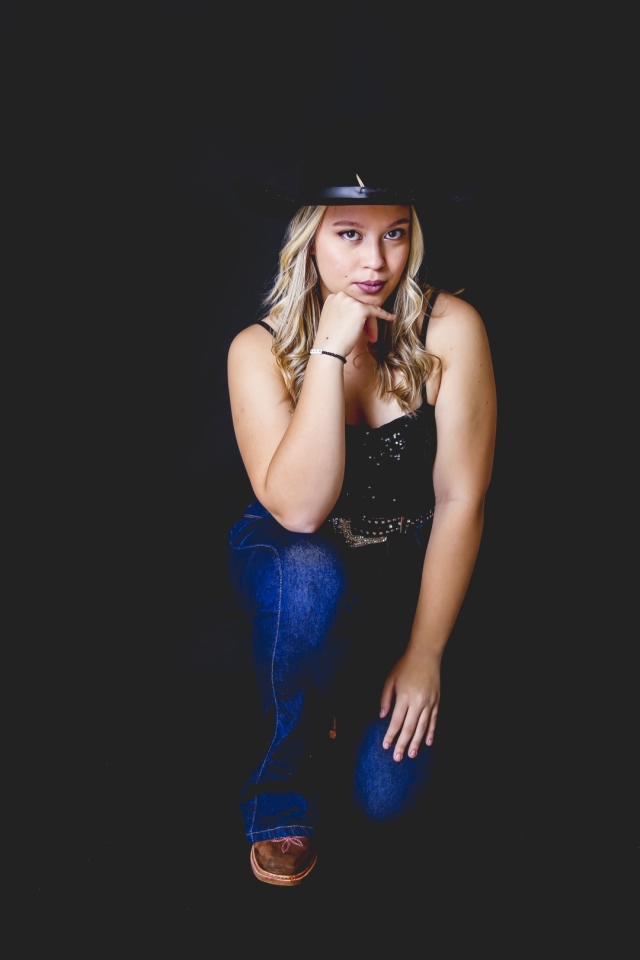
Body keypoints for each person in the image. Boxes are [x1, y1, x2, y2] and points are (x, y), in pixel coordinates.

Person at [226, 141, 497, 887]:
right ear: (309, 237)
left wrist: (426, 653)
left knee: (384, 799)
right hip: (295, 567)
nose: (375, 261)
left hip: (404, 581)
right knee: (310, 573)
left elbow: (461, 499)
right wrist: (328, 355)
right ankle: (279, 799)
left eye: (395, 232)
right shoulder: (256, 349)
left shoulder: (452, 329)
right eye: (349, 234)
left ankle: (339, 697)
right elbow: (299, 510)